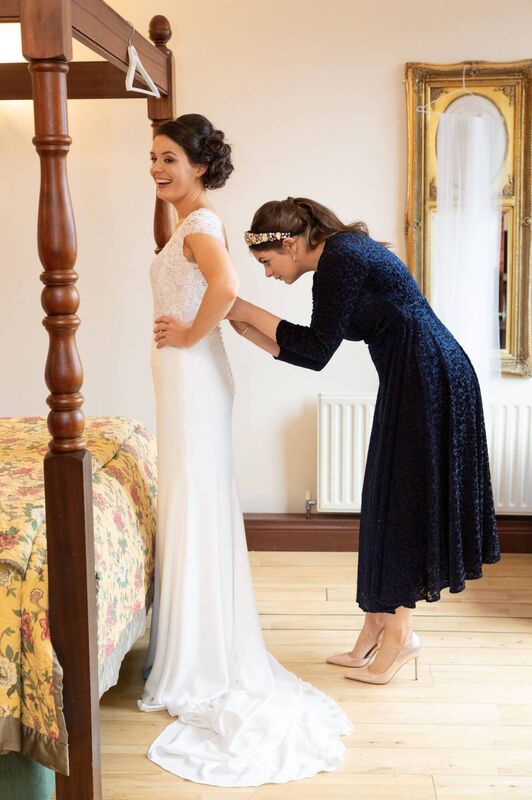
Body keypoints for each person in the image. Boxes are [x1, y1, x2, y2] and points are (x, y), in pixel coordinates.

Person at [137, 119, 351, 787]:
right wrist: (188, 338)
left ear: (199, 166)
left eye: (168, 158)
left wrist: (189, 335)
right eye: (152, 159)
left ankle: (201, 656)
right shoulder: (186, 221)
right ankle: (193, 642)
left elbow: (225, 290)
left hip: (194, 378)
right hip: (187, 380)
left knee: (196, 496)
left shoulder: (201, 223)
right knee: (191, 496)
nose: (157, 169)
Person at [226, 196, 501, 685]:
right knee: (381, 499)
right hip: (414, 376)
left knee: (401, 505)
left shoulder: (342, 257)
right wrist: (246, 327)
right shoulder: (340, 256)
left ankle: (401, 636)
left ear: (290, 244)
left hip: (429, 377)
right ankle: (375, 626)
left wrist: (243, 307)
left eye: (267, 263)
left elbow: (315, 348)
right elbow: (312, 353)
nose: (267, 274)